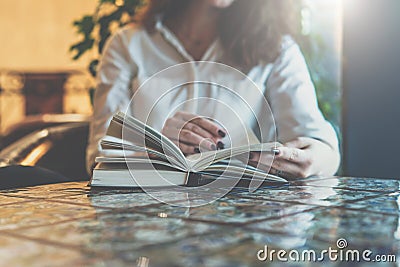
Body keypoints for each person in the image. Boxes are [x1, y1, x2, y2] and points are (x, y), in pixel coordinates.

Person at [86, 0, 340, 179]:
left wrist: (310, 160)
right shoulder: (127, 45)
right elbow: (100, 159)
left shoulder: (276, 49)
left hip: (243, 225)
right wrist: (158, 152)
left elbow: (322, 149)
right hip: (148, 225)